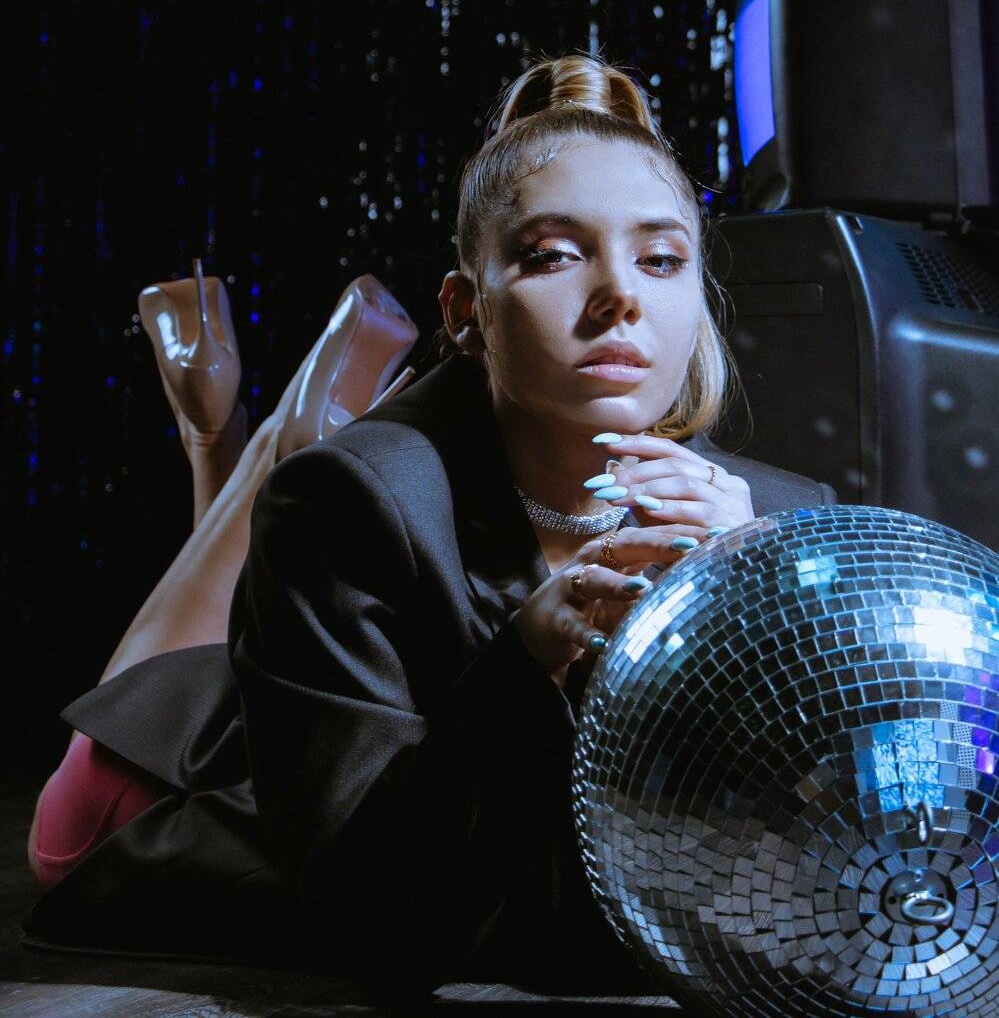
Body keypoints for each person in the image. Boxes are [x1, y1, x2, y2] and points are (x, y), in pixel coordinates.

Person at [23, 53, 837, 996]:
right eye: (552, 254)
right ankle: (241, 440)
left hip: (331, 700)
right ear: (466, 309)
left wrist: (755, 596)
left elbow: (848, 834)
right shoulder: (350, 503)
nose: (621, 295)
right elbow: (368, 906)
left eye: (660, 259)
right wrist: (524, 659)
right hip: (198, 790)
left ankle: (259, 429)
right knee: (78, 819)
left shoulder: (783, 521)